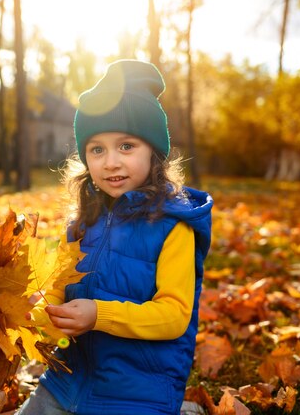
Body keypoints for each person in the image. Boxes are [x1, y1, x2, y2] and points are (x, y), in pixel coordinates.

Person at [17, 59, 213, 415]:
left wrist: (99, 315)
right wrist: (42, 312)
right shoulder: (81, 224)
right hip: (66, 382)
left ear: (154, 154)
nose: (110, 162)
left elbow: (174, 315)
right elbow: (59, 290)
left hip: (135, 392)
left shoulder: (173, 226)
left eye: (126, 146)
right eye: (97, 149)